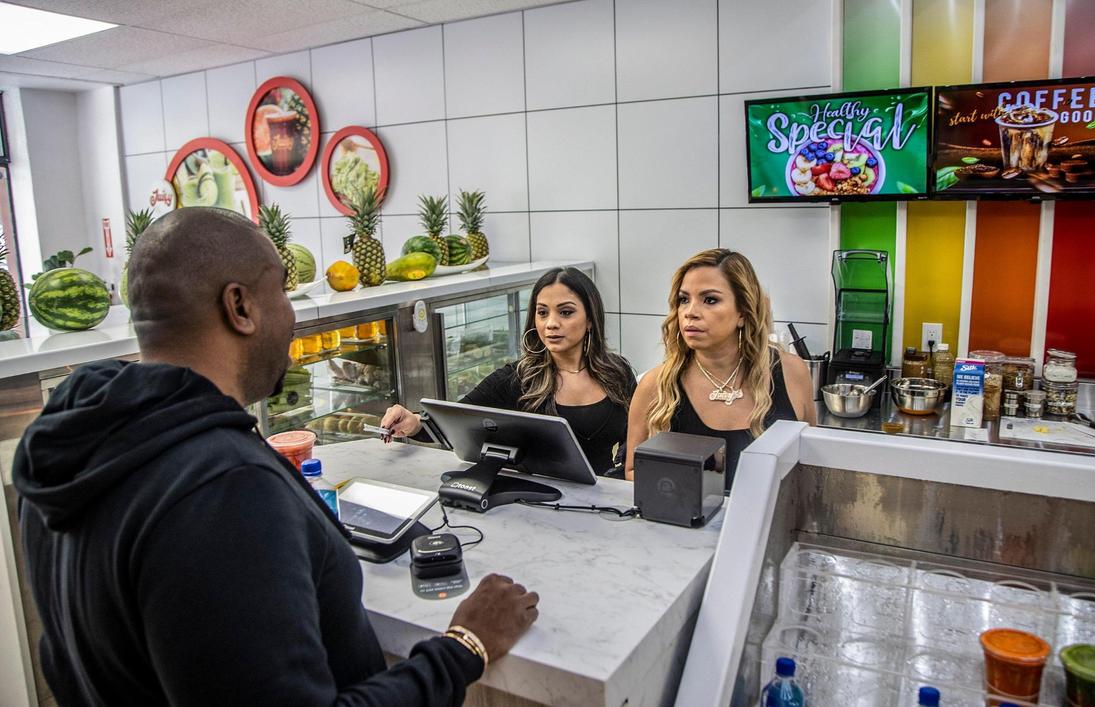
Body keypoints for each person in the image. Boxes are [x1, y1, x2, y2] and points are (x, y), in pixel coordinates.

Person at [13, 207, 538, 705]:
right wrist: (465, 645)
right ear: (239, 306)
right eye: (283, 290)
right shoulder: (224, 487)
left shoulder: (72, 441)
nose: (292, 314)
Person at [382, 267, 637, 477]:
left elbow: (636, 436)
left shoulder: (617, 372)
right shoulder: (516, 378)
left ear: (591, 319)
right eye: (542, 312)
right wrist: (414, 421)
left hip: (607, 502)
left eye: (566, 312)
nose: (551, 324)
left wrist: (622, 474)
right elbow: (453, 423)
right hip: (538, 503)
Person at [625, 248, 816, 490]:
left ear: (743, 313)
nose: (690, 312)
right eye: (684, 299)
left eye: (710, 300)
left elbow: (810, 464)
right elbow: (632, 471)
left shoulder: (792, 373)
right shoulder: (655, 385)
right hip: (686, 525)